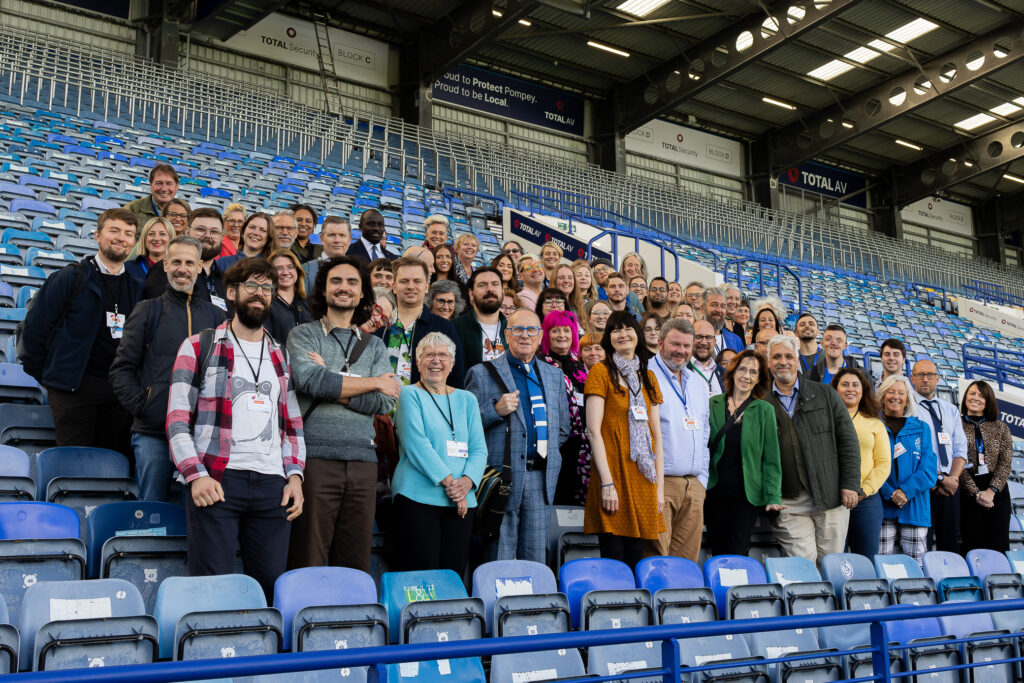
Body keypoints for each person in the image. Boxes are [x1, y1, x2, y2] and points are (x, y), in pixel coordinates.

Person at [166, 258, 305, 601]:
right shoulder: (200, 345)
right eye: (252, 286)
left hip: (273, 486)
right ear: (232, 292)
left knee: (272, 586)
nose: (260, 294)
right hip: (217, 479)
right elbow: (177, 419)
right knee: (213, 587)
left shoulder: (280, 354)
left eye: (267, 288)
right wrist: (195, 475)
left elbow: (292, 426)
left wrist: (296, 477)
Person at [286, 256, 398, 572]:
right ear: (323, 288)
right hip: (316, 459)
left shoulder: (374, 346)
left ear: (363, 293)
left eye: (352, 282)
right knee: (308, 556)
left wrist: (335, 382)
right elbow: (311, 380)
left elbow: (385, 403)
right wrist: (372, 382)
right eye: (336, 281)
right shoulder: (304, 335)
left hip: (364, 462)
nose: (344, 288)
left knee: (355, 560)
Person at [110, 236, 225, 503]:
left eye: (189, 262)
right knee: (152, 510)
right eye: (176, 262)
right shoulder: (147, 310)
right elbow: (121, 369)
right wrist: (145, 405)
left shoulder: (217, 317)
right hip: (154, 434)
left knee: (198, 514)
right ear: (165, 264)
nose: (182, 268)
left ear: (199, 267)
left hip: (201, 436)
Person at [21, 208, 142, 451]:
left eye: (129, 234)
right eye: (114, 230)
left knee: (112, 468)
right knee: (76, 467)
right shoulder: (69, 278)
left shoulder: (138, 287)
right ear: (97, 236)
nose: (121, 238)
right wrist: (53, 379)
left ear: (135, 242)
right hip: (73, 391)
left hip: (119, 394)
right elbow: (35, 331)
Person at [465, 308, 570, 562]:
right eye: (517, 330)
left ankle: (530, 603)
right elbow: (466, 428)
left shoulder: (554, 375)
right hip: (502, 478)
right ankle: (498, 601)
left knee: (535, 556)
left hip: (541, 477)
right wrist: (495, 410)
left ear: (540, 335)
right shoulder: (481, 373)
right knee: (499, 553)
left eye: (531, 330)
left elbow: (563, 429)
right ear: (506, 335)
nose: (525, 336)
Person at [392, 332, 487, 573]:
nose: (436, 360)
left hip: (464, 500)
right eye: (429, 355)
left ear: (453, 363)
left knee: (453, 573)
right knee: (422, 572)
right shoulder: (409, 394)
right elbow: (417, 445)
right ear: (417, 362)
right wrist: (454, 487)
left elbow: (478, 448)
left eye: (443, 355)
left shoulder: (467, 400)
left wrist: (467, 482)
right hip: (418, 498)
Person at [765, 333, 861, 563]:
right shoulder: (762, 403)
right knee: (803, 564)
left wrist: (850, 484)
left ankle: (830, 601)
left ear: (797, 360)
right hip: (789, 500)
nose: (783, 361)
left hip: (830, 494)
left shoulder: (826, 394)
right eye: (776, 356)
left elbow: (848, 441)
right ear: (769, 362)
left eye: (789, 356)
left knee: (832, 563)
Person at [583, 311, 665, 568]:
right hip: (613, 476)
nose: (622, 334)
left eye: (627, 328)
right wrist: (607, 483)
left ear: (637, 335)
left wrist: (659, 489)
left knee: (636, 559)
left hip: (643, 479)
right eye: (615, 330)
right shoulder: (600, 372)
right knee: (614, 562)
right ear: (609, 338)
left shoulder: (648, 378)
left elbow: (657, 437)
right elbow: (593, 431)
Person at [705, 350, 783, 556]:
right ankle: (719, 588)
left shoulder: (764, 410)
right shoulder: (713, 404)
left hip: (745, 496)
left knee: (738, 551)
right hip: (714, 492)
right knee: (717, 550)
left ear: (758, 379)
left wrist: (773, 495)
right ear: (732, 371)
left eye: (752, 372)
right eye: (742, 369)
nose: (746, 376)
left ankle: (736, 589)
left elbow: (771, 459)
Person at [650, 319, 710, 561]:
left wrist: (702, 481)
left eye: (687, 345)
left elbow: (704, 431)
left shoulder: (697, 382)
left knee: (687, 561)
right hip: (661, 484)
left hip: (693, 486)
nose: (681, 351)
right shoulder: (645, 375)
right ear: (660, 342)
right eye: (675, 344)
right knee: (656, 558)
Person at [378, 257, 465, 388]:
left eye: (417, 281)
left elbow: (455, 379)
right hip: (381, 407)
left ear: (426, 287)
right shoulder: (380, 325)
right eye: (404, 281)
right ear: (394, 287)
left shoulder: (444, 328)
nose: (410, 286)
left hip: (425, 407)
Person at [832, 368, 891, 558]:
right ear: (835, 389)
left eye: (856, 385)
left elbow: (883, 464)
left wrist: (863, 491)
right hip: (831, 499)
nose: (851, 389)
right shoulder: (824, 421)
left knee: (866, 559)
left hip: (867, 500)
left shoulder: (875, 424)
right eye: (845, 384)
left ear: (863, 390)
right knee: (834, 557)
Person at [910, 358, 967, 553]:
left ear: (938, 379)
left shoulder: (951, 410)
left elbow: (960, 451)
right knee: (921, 546)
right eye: (920, 375)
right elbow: (912, 453)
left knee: (950, 544)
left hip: (951, 489)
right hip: (924, 487)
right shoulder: (908, 409)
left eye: (930, 375)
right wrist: (938, 479)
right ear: (912, 378)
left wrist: (952, 479)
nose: (925, 379)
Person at [878, 375, 936, 564]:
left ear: (907, 398)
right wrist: (889, 493)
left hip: (915, 506)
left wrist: (905, 492)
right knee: (881, 564)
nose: (896, 396)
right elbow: (869, 466)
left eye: (901, 393)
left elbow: (928, 469)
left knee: (915, 566)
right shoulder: (874, 425)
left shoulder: (922, 428)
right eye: (891, 392)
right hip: (882, 506)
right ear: (883, 396)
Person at [541, 311, 592, 507]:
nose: (562, 335)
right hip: (556, 443)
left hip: (581, 444)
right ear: (547, 334)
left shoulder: (579, 368)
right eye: (555, 330)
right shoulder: (541, 364)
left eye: (566, 330)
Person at [959, 380, 1013, 554]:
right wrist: (976, 493)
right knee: (972, 546)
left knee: (998, 546)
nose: (976, 398)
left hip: (996, 492)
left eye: (981, 396)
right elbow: (956, 460)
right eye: (972, 393)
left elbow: (1005, 463)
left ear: (988, 401)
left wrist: (991, 491)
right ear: (965, 396)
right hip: (968, 492)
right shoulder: (956, 424)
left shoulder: (1001, 427)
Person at [453, 267, 507, 373]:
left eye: (495, 284)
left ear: (503, 292)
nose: (490, 289)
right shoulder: (455, 329)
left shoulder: (513, 329)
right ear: (471, 294)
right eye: (482, 285)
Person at [266, 249, 312, 345]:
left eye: (290, 267)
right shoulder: (266, 303)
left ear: (298, 271)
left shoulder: (308, 304)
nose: (285, 272)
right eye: (278, 268)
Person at [123, 163, 188, 228]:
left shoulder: (186, 214)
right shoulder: (132, 210)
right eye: (159, 183)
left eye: (169, 184)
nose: (164, 189)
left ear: (176, 187)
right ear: (151, 186)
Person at [303, 216, 351, 293]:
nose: (337, 240)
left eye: (342, 235)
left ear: (349, 240)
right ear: (321, 238)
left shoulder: (358, 270)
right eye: (332, 235)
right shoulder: (306, 269)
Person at [125, 217, 174, 281]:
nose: (156, 238)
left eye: (162, 234)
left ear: (171, 239)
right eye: (151, 234)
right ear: (144, 239)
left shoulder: (179, 268)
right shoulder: (128, 268)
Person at [702, 287, 745, 354]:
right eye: (714, 305)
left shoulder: (736, 341)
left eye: (723, 306)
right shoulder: (691, 336)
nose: (719, 310)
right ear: (702, 308)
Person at [689, 320, 725, 396]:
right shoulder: (680, 371)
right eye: (698, 337)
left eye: (709, 338)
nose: (704, 342)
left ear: (714, 341)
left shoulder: (724, 373)